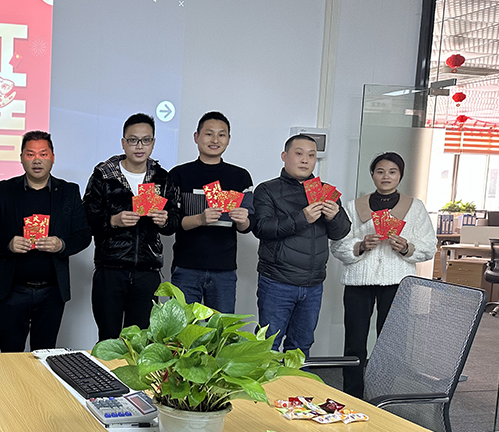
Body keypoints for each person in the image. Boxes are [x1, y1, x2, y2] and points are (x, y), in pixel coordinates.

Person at [330, 152, 436, 397]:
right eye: (380, 171)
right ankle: (352, 394)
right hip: (358, 283)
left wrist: (407, 247)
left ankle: (383, 396)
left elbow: (429, 246)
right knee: (354, 342)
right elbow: (337, 245)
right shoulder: (353, 206)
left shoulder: (415, 207)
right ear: (372, 175)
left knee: (391, 344)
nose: (386, 176)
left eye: (392, 171)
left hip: (397, 283)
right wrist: (360, 245)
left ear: (400, 175)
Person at [0, 130, 91, 352]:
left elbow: (84, 234)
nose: (37, 160)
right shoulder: (5, 189)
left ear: (52, 157)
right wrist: (9, 243)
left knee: (45, 355)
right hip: (13, 289)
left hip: (52, 291)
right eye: (30, 154)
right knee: (10, 355)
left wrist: (61, 244)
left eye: (43, 154)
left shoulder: (69, 191)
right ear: (21, 158)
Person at [251, 134, 350, 356]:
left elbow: (341, 233)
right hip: (277, 281)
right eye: (299, 154)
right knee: (268, 346)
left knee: (301, 347)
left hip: (314, 284)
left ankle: (296, 381)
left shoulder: (326, 192)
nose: (305, 160)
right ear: (284, 156)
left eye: (311, 155)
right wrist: (301, 218)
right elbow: (262, 228)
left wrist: (335, 216)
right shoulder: (267, 190)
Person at [82, 113, 175, 341]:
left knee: (141, 341)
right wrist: (113, 221)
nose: (139, 146)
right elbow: (86, 219)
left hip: (147, 271)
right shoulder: (104, 176)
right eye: (133, 140)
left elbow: (173, 222)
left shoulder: (162, 178)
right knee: (108, 340)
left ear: (153, 143)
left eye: (146, 140)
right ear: (123, 143)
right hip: (110, 269)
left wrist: (165, 220)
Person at [165, 111, 253, 313]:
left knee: (220, 329)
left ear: (228, 139)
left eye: (221, 135)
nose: (215, 140)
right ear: (196, 137)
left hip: (224, 269)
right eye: (209, 134)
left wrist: (243, 220)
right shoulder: (179, 174)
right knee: (181, 328)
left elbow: (248, 226)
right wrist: (200, 219)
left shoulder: (239, 176)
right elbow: (171, 223)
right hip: (186, 267)